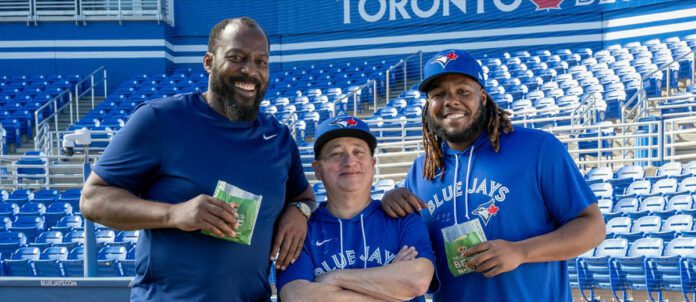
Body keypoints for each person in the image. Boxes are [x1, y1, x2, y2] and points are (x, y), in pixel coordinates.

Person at [80, 17, 316, 301]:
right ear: (208, 62)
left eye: (261, 62)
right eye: (236, 58)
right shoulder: (160, 119)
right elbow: (92, 200)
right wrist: (174, 214)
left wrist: (299, 212)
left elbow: (305, 197)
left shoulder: (278, 138)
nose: (250, 71)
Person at [381, 49, 606, 301]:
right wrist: (390, 200)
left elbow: (593, 227)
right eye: (438, 95)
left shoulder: (538, 148)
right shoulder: (422, 171)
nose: (450, 101)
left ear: (483, 97)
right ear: (428, 106)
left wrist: (521, 252)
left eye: (463, 91)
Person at [278, 115, 436, 302]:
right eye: (336, 154)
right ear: (318, 169)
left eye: (358, 152)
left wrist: (333, 278)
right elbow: (297, 297)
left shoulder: (403, 217)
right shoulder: (301, 231)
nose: (349, 161)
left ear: (372, 163)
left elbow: (417, 280)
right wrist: (390, 287)